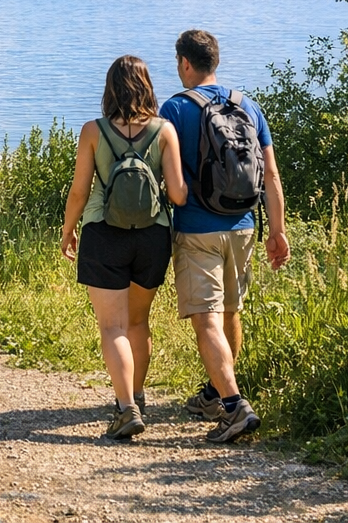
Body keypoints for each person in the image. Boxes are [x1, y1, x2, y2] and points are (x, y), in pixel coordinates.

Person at [160, 29, 290, 444]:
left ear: (184, 62)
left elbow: (171, 177)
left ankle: (234, 407)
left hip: (197, 228)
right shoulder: (248, 106)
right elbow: (270, 176)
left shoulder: (176, 109)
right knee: (231, 312)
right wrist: (279, 232)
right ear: (214, 61)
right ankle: (215, 393)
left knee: (206, 319)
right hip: (244, 225)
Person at [60, 55, 187, 441]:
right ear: (147, 86)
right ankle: (136, 395)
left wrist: (68, 230)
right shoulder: (164, 130)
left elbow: (80, 191)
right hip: (152, 236)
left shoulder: (93, 131)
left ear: (110, 87)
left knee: (112, 325)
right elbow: (179, 194)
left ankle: (125, 408)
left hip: (104, 233)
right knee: (137, 321)